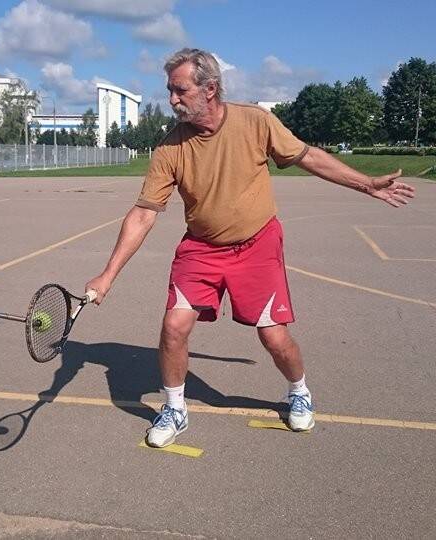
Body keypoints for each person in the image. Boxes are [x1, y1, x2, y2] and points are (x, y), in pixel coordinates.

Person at [84, 48, 415, 448]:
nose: (172, 99)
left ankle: (299, 391)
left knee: (274, 338)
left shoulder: (256, 122)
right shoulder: (170, 148)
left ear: (210, 88)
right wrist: (108, 275)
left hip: (256, 245)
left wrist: (365, 184)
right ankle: (174, 408)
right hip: (201, 249)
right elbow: (143, 214)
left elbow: (308, 157)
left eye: (179, 90)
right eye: (169, 90)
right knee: (173, 327)